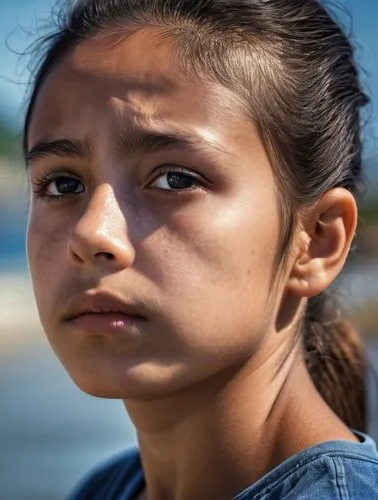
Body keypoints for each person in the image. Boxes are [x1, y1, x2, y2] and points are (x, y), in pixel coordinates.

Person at [23, 0, 378, 498]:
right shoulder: (104, 489)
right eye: (62, 185)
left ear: (316, 240)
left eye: (174, 179)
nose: (93, 233)